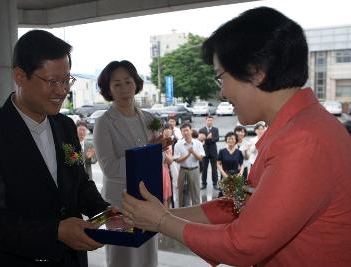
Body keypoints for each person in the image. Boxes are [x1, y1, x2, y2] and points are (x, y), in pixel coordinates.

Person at [121, 7, 351, 267]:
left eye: (221, 77)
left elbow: (244, 244)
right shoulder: (302, 127)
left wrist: (161, 221)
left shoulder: (304, 140)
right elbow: (237, 206)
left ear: (256, 71)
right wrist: (161, 214)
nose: (222, 94)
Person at [0, 30, 110, 267]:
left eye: (66, 80)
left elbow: (78, 183)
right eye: (52, 81)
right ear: (20, 76)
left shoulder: (65, 126)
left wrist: (106, 212)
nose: (62, 91)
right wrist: (56, 232)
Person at [93, 60, 158, 267]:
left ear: (136, 83)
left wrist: (157, 151)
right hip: (119, 203)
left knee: (148, 255)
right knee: (122, 258)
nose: (124, 89)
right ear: (108, 90)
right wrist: (145, 155)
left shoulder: (148, 118)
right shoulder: (103, 122)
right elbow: (109, 168)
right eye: (117, 84)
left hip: (147, 199)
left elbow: (155, 162)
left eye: (128, 82)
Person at [173, 123, 205, 207]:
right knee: (182, 194)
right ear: (181, 132)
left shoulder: (198, 143)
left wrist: (193, 152)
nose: (185, 132)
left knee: (196, 194)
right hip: (183, 170)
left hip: (194, 170)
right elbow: (177, 160)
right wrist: (188, 154)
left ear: (191, 131)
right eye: (183, 131)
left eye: (187, 130)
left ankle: (196, 213)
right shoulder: (178, 144)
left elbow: (200, 158)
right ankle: (183, 213)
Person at [198, 116, 219, 190]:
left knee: (214, 168)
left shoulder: (215, 129)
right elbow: (200, 140)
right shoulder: (201, 130)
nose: (209, 122)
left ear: (212, 121)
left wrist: (212, 138)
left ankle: (215, 183)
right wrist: (207, 137)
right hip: (204, 151)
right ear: (206, 121)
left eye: (211, 120)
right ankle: (203, 183)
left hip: (213, 152)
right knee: (204, 168)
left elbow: (217, 138)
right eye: (208, 120)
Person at [162, 125, 174, 208]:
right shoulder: (155, 143)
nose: (167, 138)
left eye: (169, 136)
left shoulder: (169, 146)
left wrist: (163, 151)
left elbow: (170, 161)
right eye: (165, 135)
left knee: (166, 196)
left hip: (164, 171)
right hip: (156, 171)